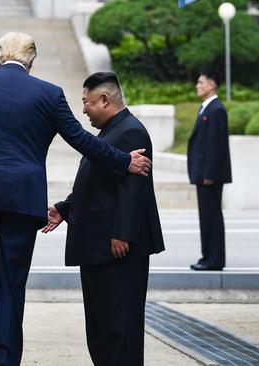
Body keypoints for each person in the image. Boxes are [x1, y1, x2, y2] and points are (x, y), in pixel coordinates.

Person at [0, 32, 152, 366]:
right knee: (12, 281)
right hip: (23, 201)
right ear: (32, 61)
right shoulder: (49, 93)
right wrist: (124, 161)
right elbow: (79, 138)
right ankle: (6, 360)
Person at [43, 72, 165, 366]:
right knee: (101, 327)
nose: (83, 109)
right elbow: (97, 184)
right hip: (99, 247)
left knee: (119, 327)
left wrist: (122, 233)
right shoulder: (112, 130)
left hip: (117, 248)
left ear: (104, 99)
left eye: (86, 102)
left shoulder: (129, 132)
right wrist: (65, 208)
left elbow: (133, 188)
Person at [187, 71, 232, 271]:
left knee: (212, 217)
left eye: (201, 82)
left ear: (212, 85)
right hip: (203, 175)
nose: (197, 85)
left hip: (209, 176)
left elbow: (216, 145)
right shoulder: (206, 108)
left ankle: (214, 260)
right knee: (206, 217)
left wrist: (210, 174)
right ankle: (207, 257)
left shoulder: (216, 109)